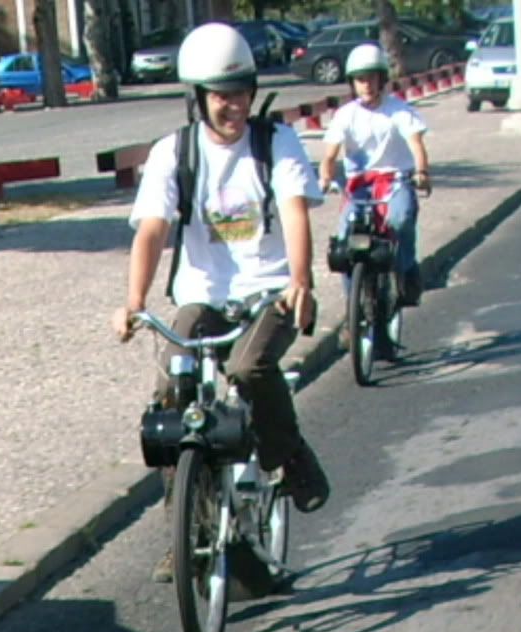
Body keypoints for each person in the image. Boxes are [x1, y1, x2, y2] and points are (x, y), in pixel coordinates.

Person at [111, 22, 331, 582]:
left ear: (252, 93)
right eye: (217, 95)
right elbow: (153, 231)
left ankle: (288, 453)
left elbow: (296, 210)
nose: (229, 106)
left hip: (270, 287)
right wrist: (134, 301)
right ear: (198, 98)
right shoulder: (174, 152)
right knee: (171, 394)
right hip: (200, 293)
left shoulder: (274, 142)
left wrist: (300, 279)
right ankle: (185, 531)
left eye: (237, 93)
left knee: (249, 367)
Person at [318, 44, 432, 315]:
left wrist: (422, 172)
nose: (366, 84)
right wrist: (325, 177)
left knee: (401, 218)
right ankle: (352, 311)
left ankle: (406, 272)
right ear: (352, 83)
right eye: (360, 79)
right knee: (345, 242)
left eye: (371, 77)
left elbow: (416, 144)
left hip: (396, 180)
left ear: (382, 79)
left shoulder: (399, 110)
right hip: (358, 186)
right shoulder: (345, 114)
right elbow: (330, 154)